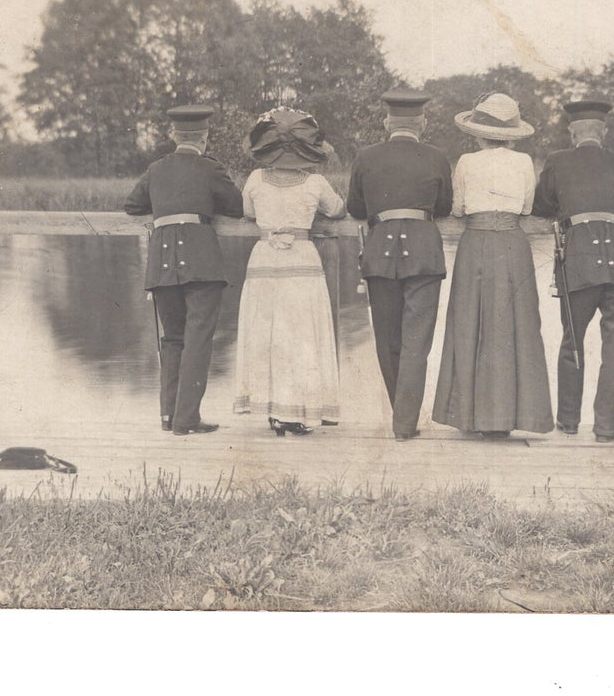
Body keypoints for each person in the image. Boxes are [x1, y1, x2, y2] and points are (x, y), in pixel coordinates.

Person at [431, 92, 554, 437]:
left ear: (478, 133)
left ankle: (471, 416)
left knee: (470, 322)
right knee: (515, 325)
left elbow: (456, 208)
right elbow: (528, 208)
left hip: (475, 242)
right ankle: (511, 416)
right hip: (513, 242)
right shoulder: (525, 163)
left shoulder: (468, 162)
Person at [123, 105, 244, 436]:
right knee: (198, 338)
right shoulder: (210, 168)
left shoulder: (156, 169)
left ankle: (169, 416)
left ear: (174, 136)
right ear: (204, 137)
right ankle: (187, 419)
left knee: (172, 338)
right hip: (200, 260)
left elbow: (133, 205)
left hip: (162, 262)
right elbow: (236, 206)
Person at [231, 107, 347, 436]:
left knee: (267, 335)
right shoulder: (316, 182)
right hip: (302, 261)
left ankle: (274, 408)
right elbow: (337, 210)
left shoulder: (255, 179)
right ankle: (296, 411)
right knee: (302, 335)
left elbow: (248, 211)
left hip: (265, 259)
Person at [346, 89, 454, 441]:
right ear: (422, 123)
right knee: (416, 343)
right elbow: (445, 206)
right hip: (423, 250)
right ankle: (404, 422)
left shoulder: (366, 156)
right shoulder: (437, 157)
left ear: (386, 121)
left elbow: (357, 209)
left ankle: (401, 417)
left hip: (380, 250)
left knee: (387, 340)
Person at [531, 99, 614, 442]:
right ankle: (606, 427)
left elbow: (541, 206)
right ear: (603, 132)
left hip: (577, 256)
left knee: (572, 342)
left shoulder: (558, 161)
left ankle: (569, 421)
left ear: (572, 132)